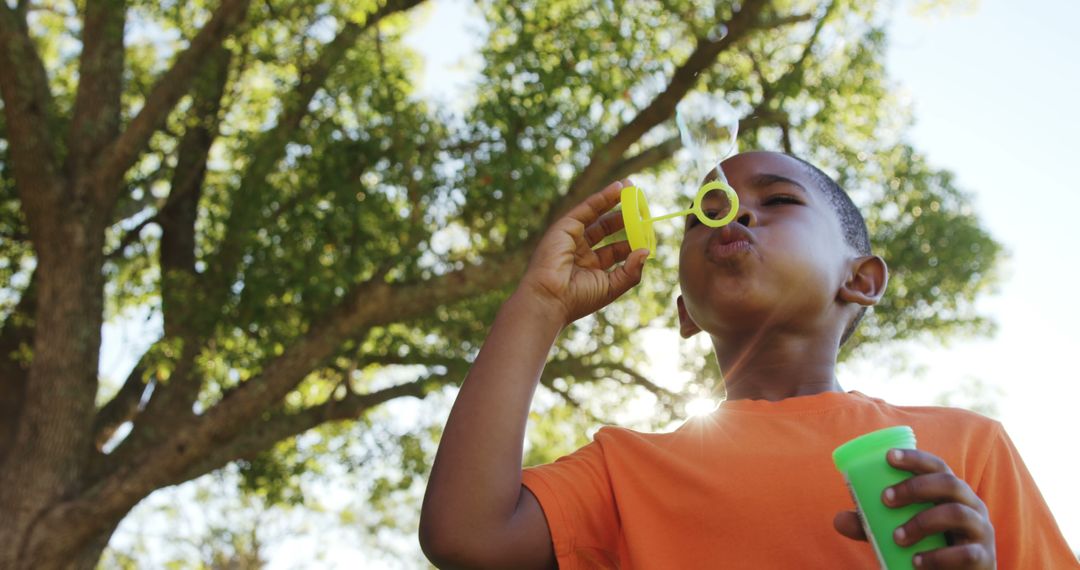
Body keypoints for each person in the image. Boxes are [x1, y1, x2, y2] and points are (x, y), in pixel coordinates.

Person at [418, 151, 1078, 569]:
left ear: (863, 280)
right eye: (703, 213)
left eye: (780, 200)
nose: (731, 213)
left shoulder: (965, 447)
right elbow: (466, 537)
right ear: (684, 311)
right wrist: (539, 303)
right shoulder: (624, 470)